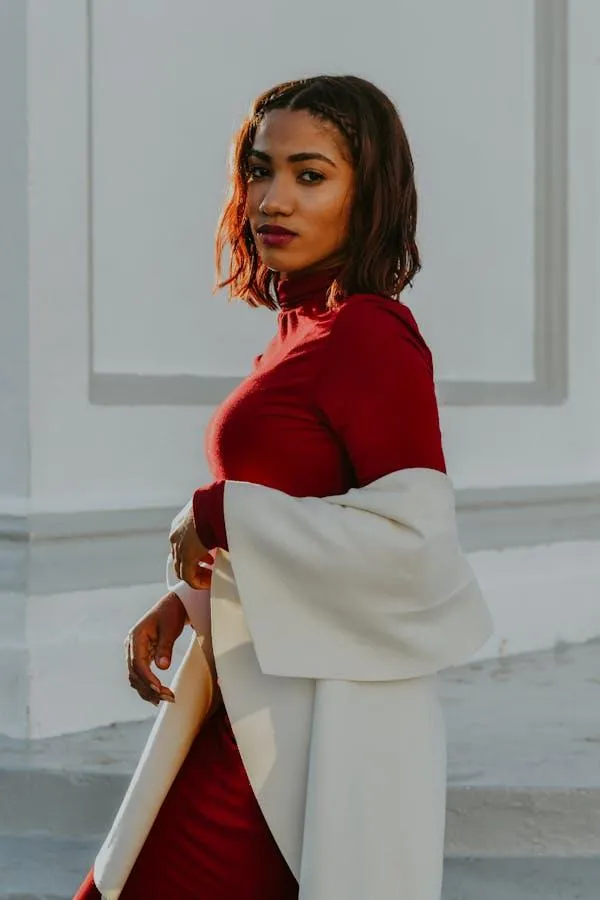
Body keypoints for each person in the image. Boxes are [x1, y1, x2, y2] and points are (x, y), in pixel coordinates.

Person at [74, 74, 492, 900]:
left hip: (311, 740)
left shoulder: (370, 335)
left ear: (365, 192)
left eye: (310, 174)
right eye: (260, 170)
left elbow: (413, 544)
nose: (273, 199)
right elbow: (304, 514)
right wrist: (188, 602)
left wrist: (219, 511)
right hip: (247, 708)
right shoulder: (301, 330)